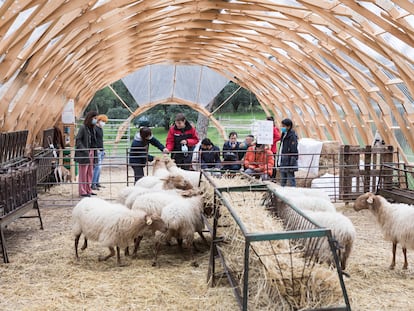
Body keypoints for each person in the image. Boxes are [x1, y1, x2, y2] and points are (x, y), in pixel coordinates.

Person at [75, 110, 98, 197]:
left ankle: (88, 189)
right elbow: (78, 139)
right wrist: (84, 150)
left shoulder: (93, 128)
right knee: (83, 173)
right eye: (94, 118)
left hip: (92, 151)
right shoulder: (83, 127)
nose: (95, 120)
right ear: (90, 118)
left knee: (90, 172)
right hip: (84, 153)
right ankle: (82, 190)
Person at [277, 118, 298, 187]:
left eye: (283, 126)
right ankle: (282, 192)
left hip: (289, 159)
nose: (282, 127)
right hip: (283, 158)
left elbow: (293, 148)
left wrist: (292, 160)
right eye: (282, 126)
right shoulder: (284, 134)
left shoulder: (292, 136)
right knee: (283, 177)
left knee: (290, 177)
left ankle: (294, 191)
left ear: (288, 126)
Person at [92, 114, 108, 190]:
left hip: (101, 150)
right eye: (103, 121)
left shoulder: (101, 129)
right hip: (97, 150)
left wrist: (103, 150)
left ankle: (97, 182)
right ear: (99, 121)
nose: (104, 123)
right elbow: (94, 140)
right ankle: (93, 184)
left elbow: (100, 140)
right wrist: (96, 149)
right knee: (97, 167)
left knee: (99, 168)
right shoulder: (95, 129)